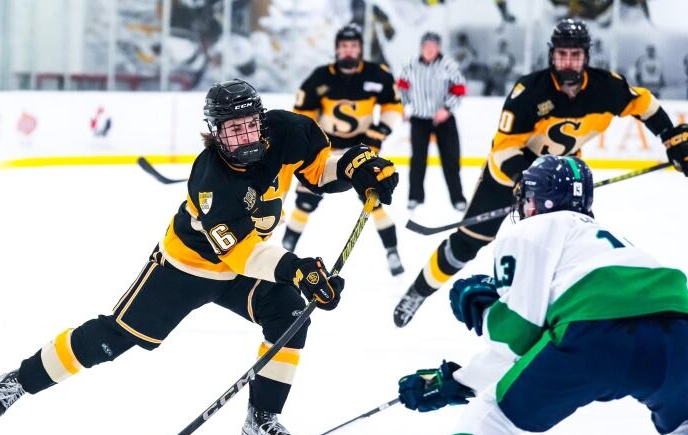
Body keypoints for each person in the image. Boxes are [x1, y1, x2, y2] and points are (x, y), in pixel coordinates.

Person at [0, 79, 398, 435]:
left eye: (249, 126)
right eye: (231, 130)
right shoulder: (211, 179)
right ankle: (19, 379)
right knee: (111, 339)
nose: (244, 137)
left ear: (260, 120)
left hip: (246, 263)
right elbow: (242, 256)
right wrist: (298, 270)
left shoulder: (287, 131)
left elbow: (318, 168)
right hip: (186, 268)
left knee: (288, 315)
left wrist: (354, 169)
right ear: (215, 133)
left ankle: (261, 421)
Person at [387, 155, 688, 435]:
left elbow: (518, 339)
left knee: (494, 413)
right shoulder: (611, 239)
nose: (524, 203)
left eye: (528, 195)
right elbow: (550, 317)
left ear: (540, 198)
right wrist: (489, 314)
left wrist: (454, 382)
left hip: (596, 337)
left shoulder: (529, 230)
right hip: (679, 327)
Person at [393, 18, 688, 328]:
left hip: (562, 180)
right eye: (562, 54)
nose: (569, 61)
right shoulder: (529, 92)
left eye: (575, 54)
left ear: (586, 55)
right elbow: (503, 149)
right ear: (552, 55)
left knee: (571, 247)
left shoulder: (606, 87)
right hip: (508, 177)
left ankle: (563, 317)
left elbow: (644, 103)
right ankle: (418, 291)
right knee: (466, 245)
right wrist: (527, 182)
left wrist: (670, 136)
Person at [285, 23, 406, 276]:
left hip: (361, 149)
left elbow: (393, 106)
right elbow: (301, 114)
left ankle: (392, 251)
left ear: (360, 49)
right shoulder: (320, 77)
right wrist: (310, 141)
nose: (348, 51)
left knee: (374, 199)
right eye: (343, 46)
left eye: (353, 46)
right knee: (305, 200)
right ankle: (287, 248)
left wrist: (380, 130)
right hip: (325, 150)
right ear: (336, 50)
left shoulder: (377, 74)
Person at [397, 32, 466, 212]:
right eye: (426, 45)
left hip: (444, 119)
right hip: (419, 119)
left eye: (433, 45)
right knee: (418, 160)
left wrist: (447, 108)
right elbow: (401, 87)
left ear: (438, 48)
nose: (429, 49)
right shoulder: (410, 65)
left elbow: (459, 88)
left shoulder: (448, 65)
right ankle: (415, 197)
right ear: (421, 47)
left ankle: (457, 198)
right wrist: (405, 106)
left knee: (451, 160)